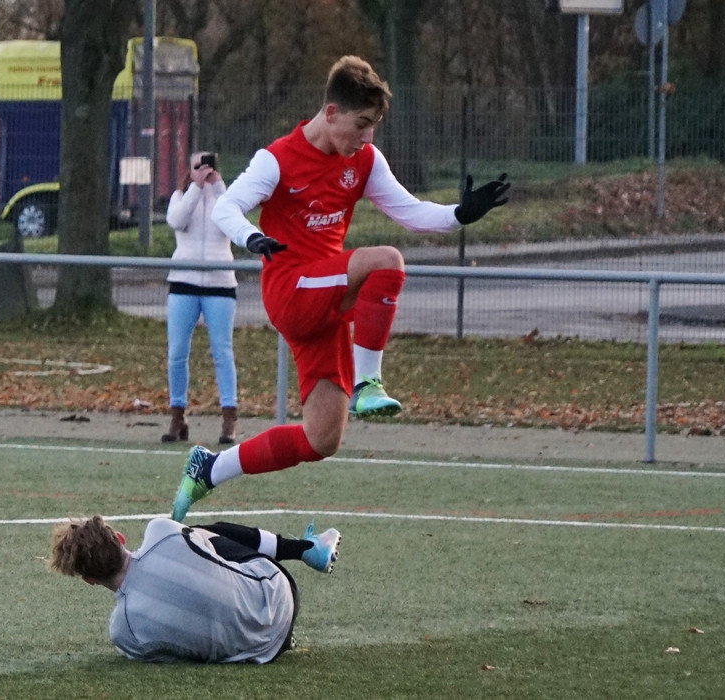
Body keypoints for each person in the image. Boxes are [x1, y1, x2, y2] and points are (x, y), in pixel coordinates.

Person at [171, 55, 509, 522]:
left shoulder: (364, 160)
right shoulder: (277, 159)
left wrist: (459, 214)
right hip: (291, 289)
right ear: (331, 113)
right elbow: (228, 207)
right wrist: (250, 237)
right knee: (386, 262)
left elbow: (410, 211)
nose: (367, 137)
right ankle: (368, 382)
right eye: (361, 124)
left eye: (374, 127)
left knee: (322, 438)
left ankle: (209, 469)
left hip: (326, 297)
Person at [49, 515, 341, 664]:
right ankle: (305, 549)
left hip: (262, 652)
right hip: (279, 593)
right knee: (198, 533)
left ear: (88, 580)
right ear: (119, 537)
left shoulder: (123, 633)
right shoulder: (160, 531)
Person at [161, 151, 239, 445]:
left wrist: (217, 187)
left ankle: (229, 418)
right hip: (184, 281)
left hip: (220, 282)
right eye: (197, 167)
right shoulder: (181, 197)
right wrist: (195, 187)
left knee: (222, 351)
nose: (203, 171)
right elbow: (176, 221)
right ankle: (177, 416)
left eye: (208, 166)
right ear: (189, 170)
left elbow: (232, 224)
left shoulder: (224, 197)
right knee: (177, 352)